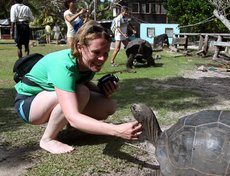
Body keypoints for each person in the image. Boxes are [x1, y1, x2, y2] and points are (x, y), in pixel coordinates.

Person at [14, 20, 142, 154]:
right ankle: (47, 139)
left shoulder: (88, 63)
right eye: (96, 52)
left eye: (105, 53)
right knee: (81, 92)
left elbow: (80, 81)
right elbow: (73, 114)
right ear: (80, 47)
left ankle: (68, 127)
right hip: (28, 104)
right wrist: (117, 130)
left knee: (108, 106)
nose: (101, 59)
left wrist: (103, 91)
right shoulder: (64, 66)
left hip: (50, 97)